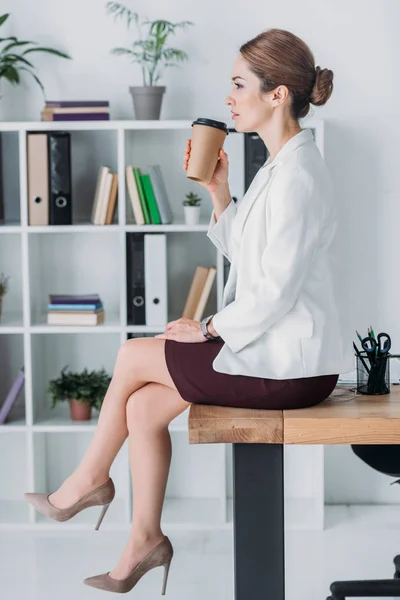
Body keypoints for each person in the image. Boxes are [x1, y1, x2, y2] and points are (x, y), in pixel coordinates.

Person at [24, 27, 353, 594]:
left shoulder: (298, 175)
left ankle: (86, 482)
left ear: (276, 95)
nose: (228, 98)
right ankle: (143, 542)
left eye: (238, 85)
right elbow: (249, 257)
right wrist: (222, 193)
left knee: (132, 355)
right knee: (147, 408)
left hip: (291, 368)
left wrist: (206, 329)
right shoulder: (278, 167)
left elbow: (273, 290)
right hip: (273, 352)